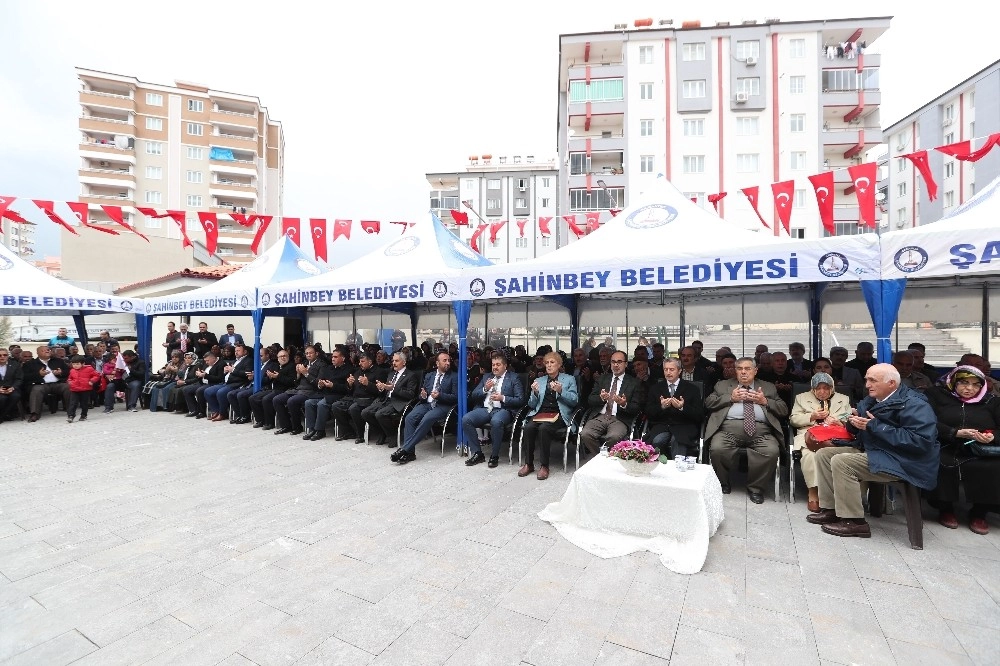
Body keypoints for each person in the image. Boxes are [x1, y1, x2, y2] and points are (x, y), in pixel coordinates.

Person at [808, 364, 939, 538]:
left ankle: (854, 522)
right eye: (867, 380)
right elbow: (861, 428)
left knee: (843, 462)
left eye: (872, 380)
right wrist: (852, 422)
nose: (867, 384)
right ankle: (832, 509)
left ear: (891, 383)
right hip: (878, 451)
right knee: (824, 454)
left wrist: (876, 426)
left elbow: (921, 441)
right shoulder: (872, 399)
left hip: (905, 461)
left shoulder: (915, 404)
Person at [926, 366, 1000, 535]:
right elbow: (926, 421)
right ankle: (945, 508)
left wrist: (991, 436)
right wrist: (954, 433)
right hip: (945, 443)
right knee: (939, 462)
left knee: (993, 468)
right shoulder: (936, 395)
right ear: (953, 382)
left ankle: (980, 512)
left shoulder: (992, 402)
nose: (969, 388)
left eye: (975, 385)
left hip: (981, 449)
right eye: (964, 383)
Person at [704, 357, 787, 504]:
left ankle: (755, 488)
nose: (743, 372)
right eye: (739, 369)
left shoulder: (768, 387)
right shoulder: (722, 385)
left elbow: (783, 409)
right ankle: (722, 483)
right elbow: (708, 402)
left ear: (755, 371)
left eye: (747, 369)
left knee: (771, 451)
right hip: (728, 430)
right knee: (717, 448)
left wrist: (765, 401)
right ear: (735, 371)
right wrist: (730, 398)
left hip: (762, 432)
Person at [789, 372, 852, 512]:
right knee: (810, 456)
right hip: (810, 436)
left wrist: (839, 422)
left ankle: (839, 494)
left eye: (826, 388)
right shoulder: (801, 398)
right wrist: (812, 416)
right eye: (819, 388)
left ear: (832, 388)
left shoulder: (844, 399)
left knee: (843, 457)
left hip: (835, 437)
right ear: (813, 388)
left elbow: (849, 419)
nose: (822, 392)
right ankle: (814, 492)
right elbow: (793, 420)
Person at [519, 351, 579, 480]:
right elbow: (531, 404)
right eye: (547, 363)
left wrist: (561, 391)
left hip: (559, 414)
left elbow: (574, 401)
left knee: (544, 429)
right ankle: (528, 464)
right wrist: (534, 393)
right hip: (541, 413)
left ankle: (544, 466)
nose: (549, 365)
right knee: (529, 428)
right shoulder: (539, 380)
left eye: (552, 362)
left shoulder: (569, 379)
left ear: (559, 365)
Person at [462, 352, 526, 468]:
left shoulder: (513, 377)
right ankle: (478, 453)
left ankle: (494, 455)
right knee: (466, 419)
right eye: (493, 365)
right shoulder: (487, 377)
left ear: (505, 366)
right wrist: (485, 389)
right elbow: (474, 395)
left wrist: (503, 398)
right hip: (486, 408)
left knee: (496, 422)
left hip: (503, 409)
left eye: (498, 364)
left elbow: (520, 400)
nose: (495, 367)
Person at [392, 351, 457, 464]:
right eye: (444, 360)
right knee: (410, 417)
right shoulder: (429, 375)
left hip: (442, 406)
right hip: (427, 404)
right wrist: (423, 395)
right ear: (437, 363)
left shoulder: (454, 376)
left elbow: (456, 397)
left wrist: (440, 395)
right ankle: (410, 453)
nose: (447, 363)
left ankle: (404, 449)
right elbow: (423, 393)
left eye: (449, 360)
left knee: (427, 418)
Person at [579, 350, 642, 456]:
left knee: (613, 437)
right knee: (585, 434)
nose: (616, 365)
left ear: (626, 364)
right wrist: (601, 398)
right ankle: (601, 458)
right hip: (600, 416)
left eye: (619, 362)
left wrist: (624, 404)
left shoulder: (634, 383)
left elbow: (637, 407)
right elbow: (590, 399)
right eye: (613, 362)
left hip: (620, 418)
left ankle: (604, 458)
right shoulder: (602, 379)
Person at [644, 357, 704, 458]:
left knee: (678, 441)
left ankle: (677, 470)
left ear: (679, 371)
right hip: (662, 426)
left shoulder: (692, 389)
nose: (668, 372)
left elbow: (699, 415)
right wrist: (661, 407)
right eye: (665, 369)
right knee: (657, 441)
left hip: (684, 426)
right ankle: (659, 470)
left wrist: (682, 407)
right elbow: (648, 412)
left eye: (672, 369)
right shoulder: (655, 388)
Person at [362, 351, 420, 447]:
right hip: (386, 400)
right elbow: (386, 389)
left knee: (379, 414)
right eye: (393, 361)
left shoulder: (410, 375)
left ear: (404, 362)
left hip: (399, 402)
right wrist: (381, 388)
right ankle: (383, 432)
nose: (394, 363)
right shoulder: (391, 374)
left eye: (397, 361)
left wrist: (393, 388)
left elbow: (410, 394)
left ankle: (393, 435)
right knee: (365, 412)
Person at [273, 346, 327, 435]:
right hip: (298, 389)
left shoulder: (322, 365)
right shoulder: (304, 363)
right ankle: (286, 426)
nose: (308, 355)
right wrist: (298, 374)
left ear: (316, 354)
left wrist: (306, 373)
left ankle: (297, 427)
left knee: (292, 401)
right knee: (277, 399)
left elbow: (318, 383)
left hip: (311, 391)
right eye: (306, 353)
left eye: (311, 353)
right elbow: (296, 382)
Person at [331, 352, 384, 441]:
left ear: (370, 362)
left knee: (353, 408)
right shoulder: (357, 372)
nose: (360, 364)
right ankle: (348, 432)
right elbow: (349, 391)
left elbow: (381, 392)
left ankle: (361, 434)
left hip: (369, 399)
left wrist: (368, 384)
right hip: (354, 398)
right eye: (359, 361)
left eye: (363, 361)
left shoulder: (379, 372)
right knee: (336, 406)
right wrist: (350, 384)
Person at [303, 346, 353, 440]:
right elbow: (320, 381)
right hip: (325, 393)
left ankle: (320, 431)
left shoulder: (349, 370)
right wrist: (320, 385)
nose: (333, 359)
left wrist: (333, 386)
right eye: (332, 357)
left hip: (338, 395)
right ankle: (312, 429)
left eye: (336, 357)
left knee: (322, 404)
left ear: (343, 358)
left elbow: (347, 388)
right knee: (308, 402)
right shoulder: (329, 368)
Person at [252, 349, 296, 429]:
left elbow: (291, 382)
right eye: (280, 356)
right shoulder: (277, 366)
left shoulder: (291, 366)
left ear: (288, 357)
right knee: (253, 397)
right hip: (273, 389)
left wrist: (277, 377)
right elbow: (271, 378)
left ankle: (270, 423)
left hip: (284, 390)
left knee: (266, 399)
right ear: (277, 358)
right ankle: (260, 420)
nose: (283, 358)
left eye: (284, 356)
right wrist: (271, 377)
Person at [25, 345, 71, 422]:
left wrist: (61, 372)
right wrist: (38, 374)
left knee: (68, 387)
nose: (47, 351)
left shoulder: (58, 361)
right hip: (41, 384)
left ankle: (71, 410)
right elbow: (25, 377)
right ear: (38, 353)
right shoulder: (31, 363)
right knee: (36, 390)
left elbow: (69, 371)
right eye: (44, 350)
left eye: (48, 350)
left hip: (57, 384)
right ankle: (35, 414)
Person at [66, 355, 101, 422]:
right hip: (74, 389)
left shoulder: (89, 369)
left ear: (83, 363)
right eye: (73, 364)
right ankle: (71, 415)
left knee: (84, 403)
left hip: (85, 389)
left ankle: (84, 415)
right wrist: (70, 382)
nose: (75, 366)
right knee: (73, 403)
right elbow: (70, 378)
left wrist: (91, 381)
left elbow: (96, 375)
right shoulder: (72, 370)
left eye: (77, 364)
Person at [0, 349, 23, 422]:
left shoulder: (15, 364)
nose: (2, 357)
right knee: (2, 398)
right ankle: (4, 416)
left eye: (5, 355)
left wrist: (13, 387)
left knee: (15, 396)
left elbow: (19, 379)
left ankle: (2, 415)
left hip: (11, 387)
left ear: (8, 356)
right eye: (0, 355)